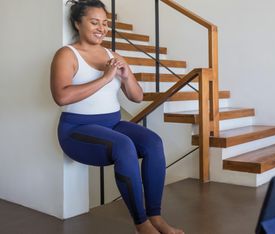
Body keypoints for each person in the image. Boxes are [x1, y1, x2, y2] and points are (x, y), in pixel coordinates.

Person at [50, 1, 184, 233]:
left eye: (105, 23)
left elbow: (137, 97)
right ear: (77, 23)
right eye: (94, 22)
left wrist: (125, 75)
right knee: (123, 145)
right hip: (76, 131)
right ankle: (141, 224)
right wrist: (105, 77)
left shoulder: (112, 54)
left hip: (112, 124)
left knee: (153, 142)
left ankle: (156, 217)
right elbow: (61, 97)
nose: (101, 28)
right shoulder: (67, 54)